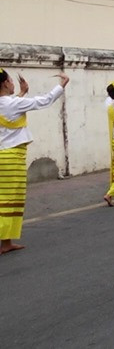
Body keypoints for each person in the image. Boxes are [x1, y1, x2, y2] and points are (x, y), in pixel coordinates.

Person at [0, 69, 68, 254]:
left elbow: (11, 108)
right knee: (8, 201)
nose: (14, 84)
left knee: (7, 200)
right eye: (11, 81)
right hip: (11, 157)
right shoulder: (13, 104)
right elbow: (45, 100)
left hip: (4, 156)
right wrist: (62, 85)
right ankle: (5, 242)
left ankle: (6, 243)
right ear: (5, 83)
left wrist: (22, 92)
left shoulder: (11, 103)